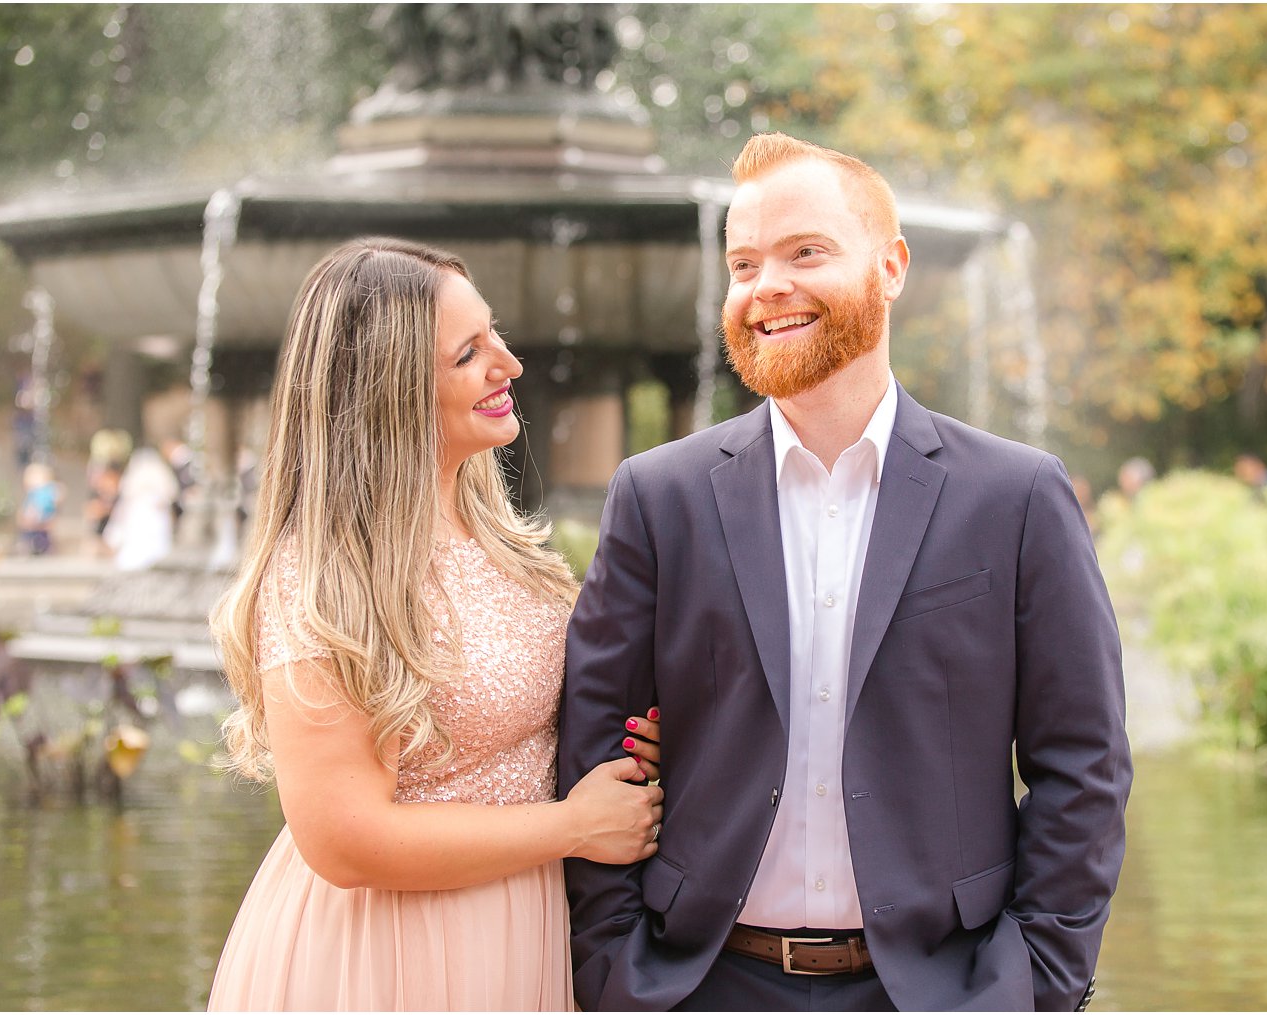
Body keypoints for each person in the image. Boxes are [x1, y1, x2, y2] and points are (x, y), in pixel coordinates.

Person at [560, 134, 1131, 1011]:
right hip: (700, 987)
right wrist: (616, 975)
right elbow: (592, 746)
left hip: (944, 991)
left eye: (806, 252)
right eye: (744, 262)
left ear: (891, 265)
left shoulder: (1017, 496)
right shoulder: (657, 497)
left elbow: (1081, 764)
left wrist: (1034, 988)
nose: (768, 286)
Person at [206, 237, 664, 1011]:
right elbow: (345, 840)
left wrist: (638, 738)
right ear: (390, 391)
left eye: (496, 336)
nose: (508, 366)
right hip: (388, 955)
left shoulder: (494, 532)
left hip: (519, 929)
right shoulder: (324, 575)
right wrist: (572, 827)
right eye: (468, 354)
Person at [16, 462, 61, 556]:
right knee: (29, 542)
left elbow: (57, 496)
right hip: (31, 527)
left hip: (41, 527)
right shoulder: (32, 495)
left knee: (42, 543)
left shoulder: (46, 494)